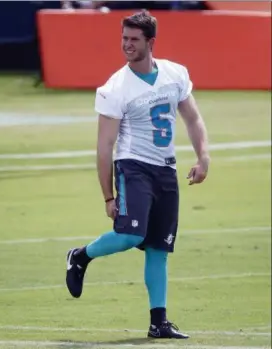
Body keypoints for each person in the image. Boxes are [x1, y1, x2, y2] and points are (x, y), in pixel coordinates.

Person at [65, 10, 210, 340]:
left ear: (151, 42)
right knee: (130, 235)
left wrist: (203, 156)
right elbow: (105, 146)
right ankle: (80, 256)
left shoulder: (174, 74)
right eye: (124, 38)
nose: (127, 45)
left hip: (166, 169)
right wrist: (108, 195)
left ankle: (158, 321)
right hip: (133, 167)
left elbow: (193, 118)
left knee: (159, 248)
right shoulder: (115, 87)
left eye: (134, 39)